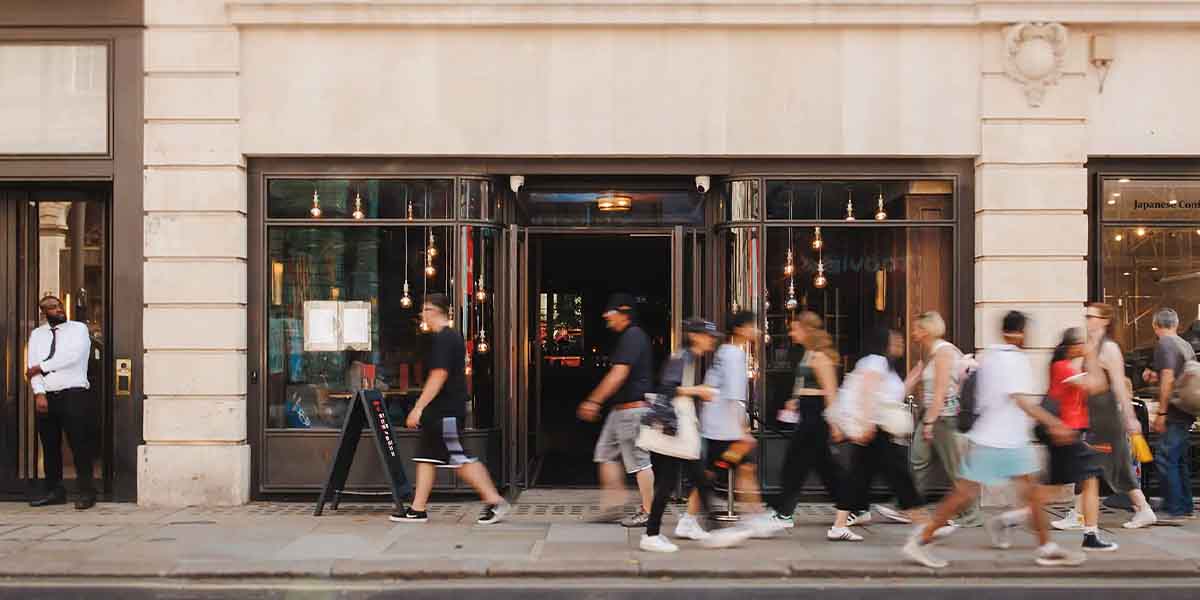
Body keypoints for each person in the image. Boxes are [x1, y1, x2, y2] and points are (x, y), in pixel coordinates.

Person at [906, 311, 1085, 568]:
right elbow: (1021, 400)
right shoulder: (1014, 360)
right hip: (1000, 439)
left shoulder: (989, 356)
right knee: (963, 495)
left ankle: (1047, 546)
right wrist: (1055, 423)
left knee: (1026, 494)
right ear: (1021, 333)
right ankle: (920, 540)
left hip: (1000, 436)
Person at [393, 293, 510, 525]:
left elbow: (439, 375)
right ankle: (418, 509)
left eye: (425, 310)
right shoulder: (446, 337)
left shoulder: (446, 338)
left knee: (459, 459)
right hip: (439, 412)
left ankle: (495, 501)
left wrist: (418, 407)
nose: (422, 315)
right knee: (426, 457)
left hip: (446, 412)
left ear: (435, 312)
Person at [678, 310, 786, 544]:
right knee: (714, 473)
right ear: (740, 329)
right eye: (752, 326)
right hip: (725, 430)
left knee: (738, 470)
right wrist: (745, 431)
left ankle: (753, 517)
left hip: (718, 426)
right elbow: (735, 398)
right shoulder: (734, 356)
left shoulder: (725, 353)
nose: (757, 331)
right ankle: (693, 520)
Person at [1053, 303, 1156, 530]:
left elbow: (1118, 384)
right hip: (1095, 413)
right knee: (1092, 463)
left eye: (1092, 317)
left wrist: (1130, 418)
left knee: (1114, 464)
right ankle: (1079, 512)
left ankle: (1142, 508)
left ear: (1105, 320)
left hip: (1107, 415)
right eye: (1087, 316)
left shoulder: (1109, 349)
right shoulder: (1093, 346)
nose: (1088, 320)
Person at [828, 327, 928, 543]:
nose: (899, 344)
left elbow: (895, 394)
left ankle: (839, 525)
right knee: (897, 475)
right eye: (895, 341)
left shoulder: (887, 367)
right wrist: (866, 422)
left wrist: (913, 377)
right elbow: (867, 391)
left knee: (859, 478)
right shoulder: (876, 361)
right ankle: (925, 525)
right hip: (874, 427)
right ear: (884, 343)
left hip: (877, 428)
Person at [640, 318, 721, 553]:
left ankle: (654, 534)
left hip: (678, 428)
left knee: (678, 480)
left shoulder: (688, 357)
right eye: (708, 336)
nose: (711, 341)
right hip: (676, 428)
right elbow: (667, 388)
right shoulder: (683, 357)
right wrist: (699, 391)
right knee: (692, 478)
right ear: (695, 336)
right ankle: (711, 530)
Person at [577, 293, 656, 527]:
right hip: (619, 411)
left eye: (610, 312)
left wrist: (593, 401)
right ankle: (614, 504)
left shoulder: (633, 335)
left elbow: (618, 374)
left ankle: (649, 511)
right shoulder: (628, 337)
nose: (605, 316)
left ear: (624, 313)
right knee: (605, 453)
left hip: (633, 411)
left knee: (640, 461)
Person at [764, 312, 844, 528]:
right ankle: (853, 506)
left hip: (816, 417)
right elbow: (805, 385)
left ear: (807, 330)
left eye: (795, 328)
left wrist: (835, 424)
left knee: (796, 464)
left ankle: (784, 513)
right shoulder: (808, 354)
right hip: (808, 414)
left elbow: (830, 392)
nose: (791, 333)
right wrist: (795, 400)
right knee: (823, 467)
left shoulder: (820, 357)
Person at [1041, 327, 1118, 551]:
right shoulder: (1063, 368)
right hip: (1067, 433)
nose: (1085, 347)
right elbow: (1098, 385)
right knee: (1081, 481)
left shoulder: (1062, 367)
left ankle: (1090, 533)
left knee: (1069, 484)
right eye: (1082, 344)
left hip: (1069, 433)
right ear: (1073, 347)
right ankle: (1090, 535)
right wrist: (1092, 357)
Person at [903, 311, 982, 528]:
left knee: (954, 467)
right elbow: (916, 381)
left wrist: (930, 422)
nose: (913, 332)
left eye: (917, 328)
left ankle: (971, 514)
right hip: (931, 415)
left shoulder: (944, 352)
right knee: (918, 461)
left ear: (927, 330)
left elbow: (940, 392)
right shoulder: (929, 353)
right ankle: (910, 505)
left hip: (943, 417)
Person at [25, 295, 97, 510]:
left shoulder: (78, 329)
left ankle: (86, 491)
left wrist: (42, 367)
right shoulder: (37, 335)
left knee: (79, 445)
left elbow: (73, 356)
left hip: (74, 393)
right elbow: (31, 366)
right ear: (43, 313)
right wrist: (39, 393)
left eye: (58, 306)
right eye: (51, 308)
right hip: (48, 395)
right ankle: (55, 491)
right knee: (49, 447)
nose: (58, 310)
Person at [1144, 307, 1197, 520]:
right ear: (1175, 324)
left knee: (1166, 458)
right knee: (1179, 459)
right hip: (1187, 409)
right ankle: (1184, 505)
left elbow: (1168, 378)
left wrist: (1162, 413)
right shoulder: (1185, 344)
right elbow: (1179, 375)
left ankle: (1174, 507)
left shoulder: (1164, 343)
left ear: (1156, 325)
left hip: (1174, 411)